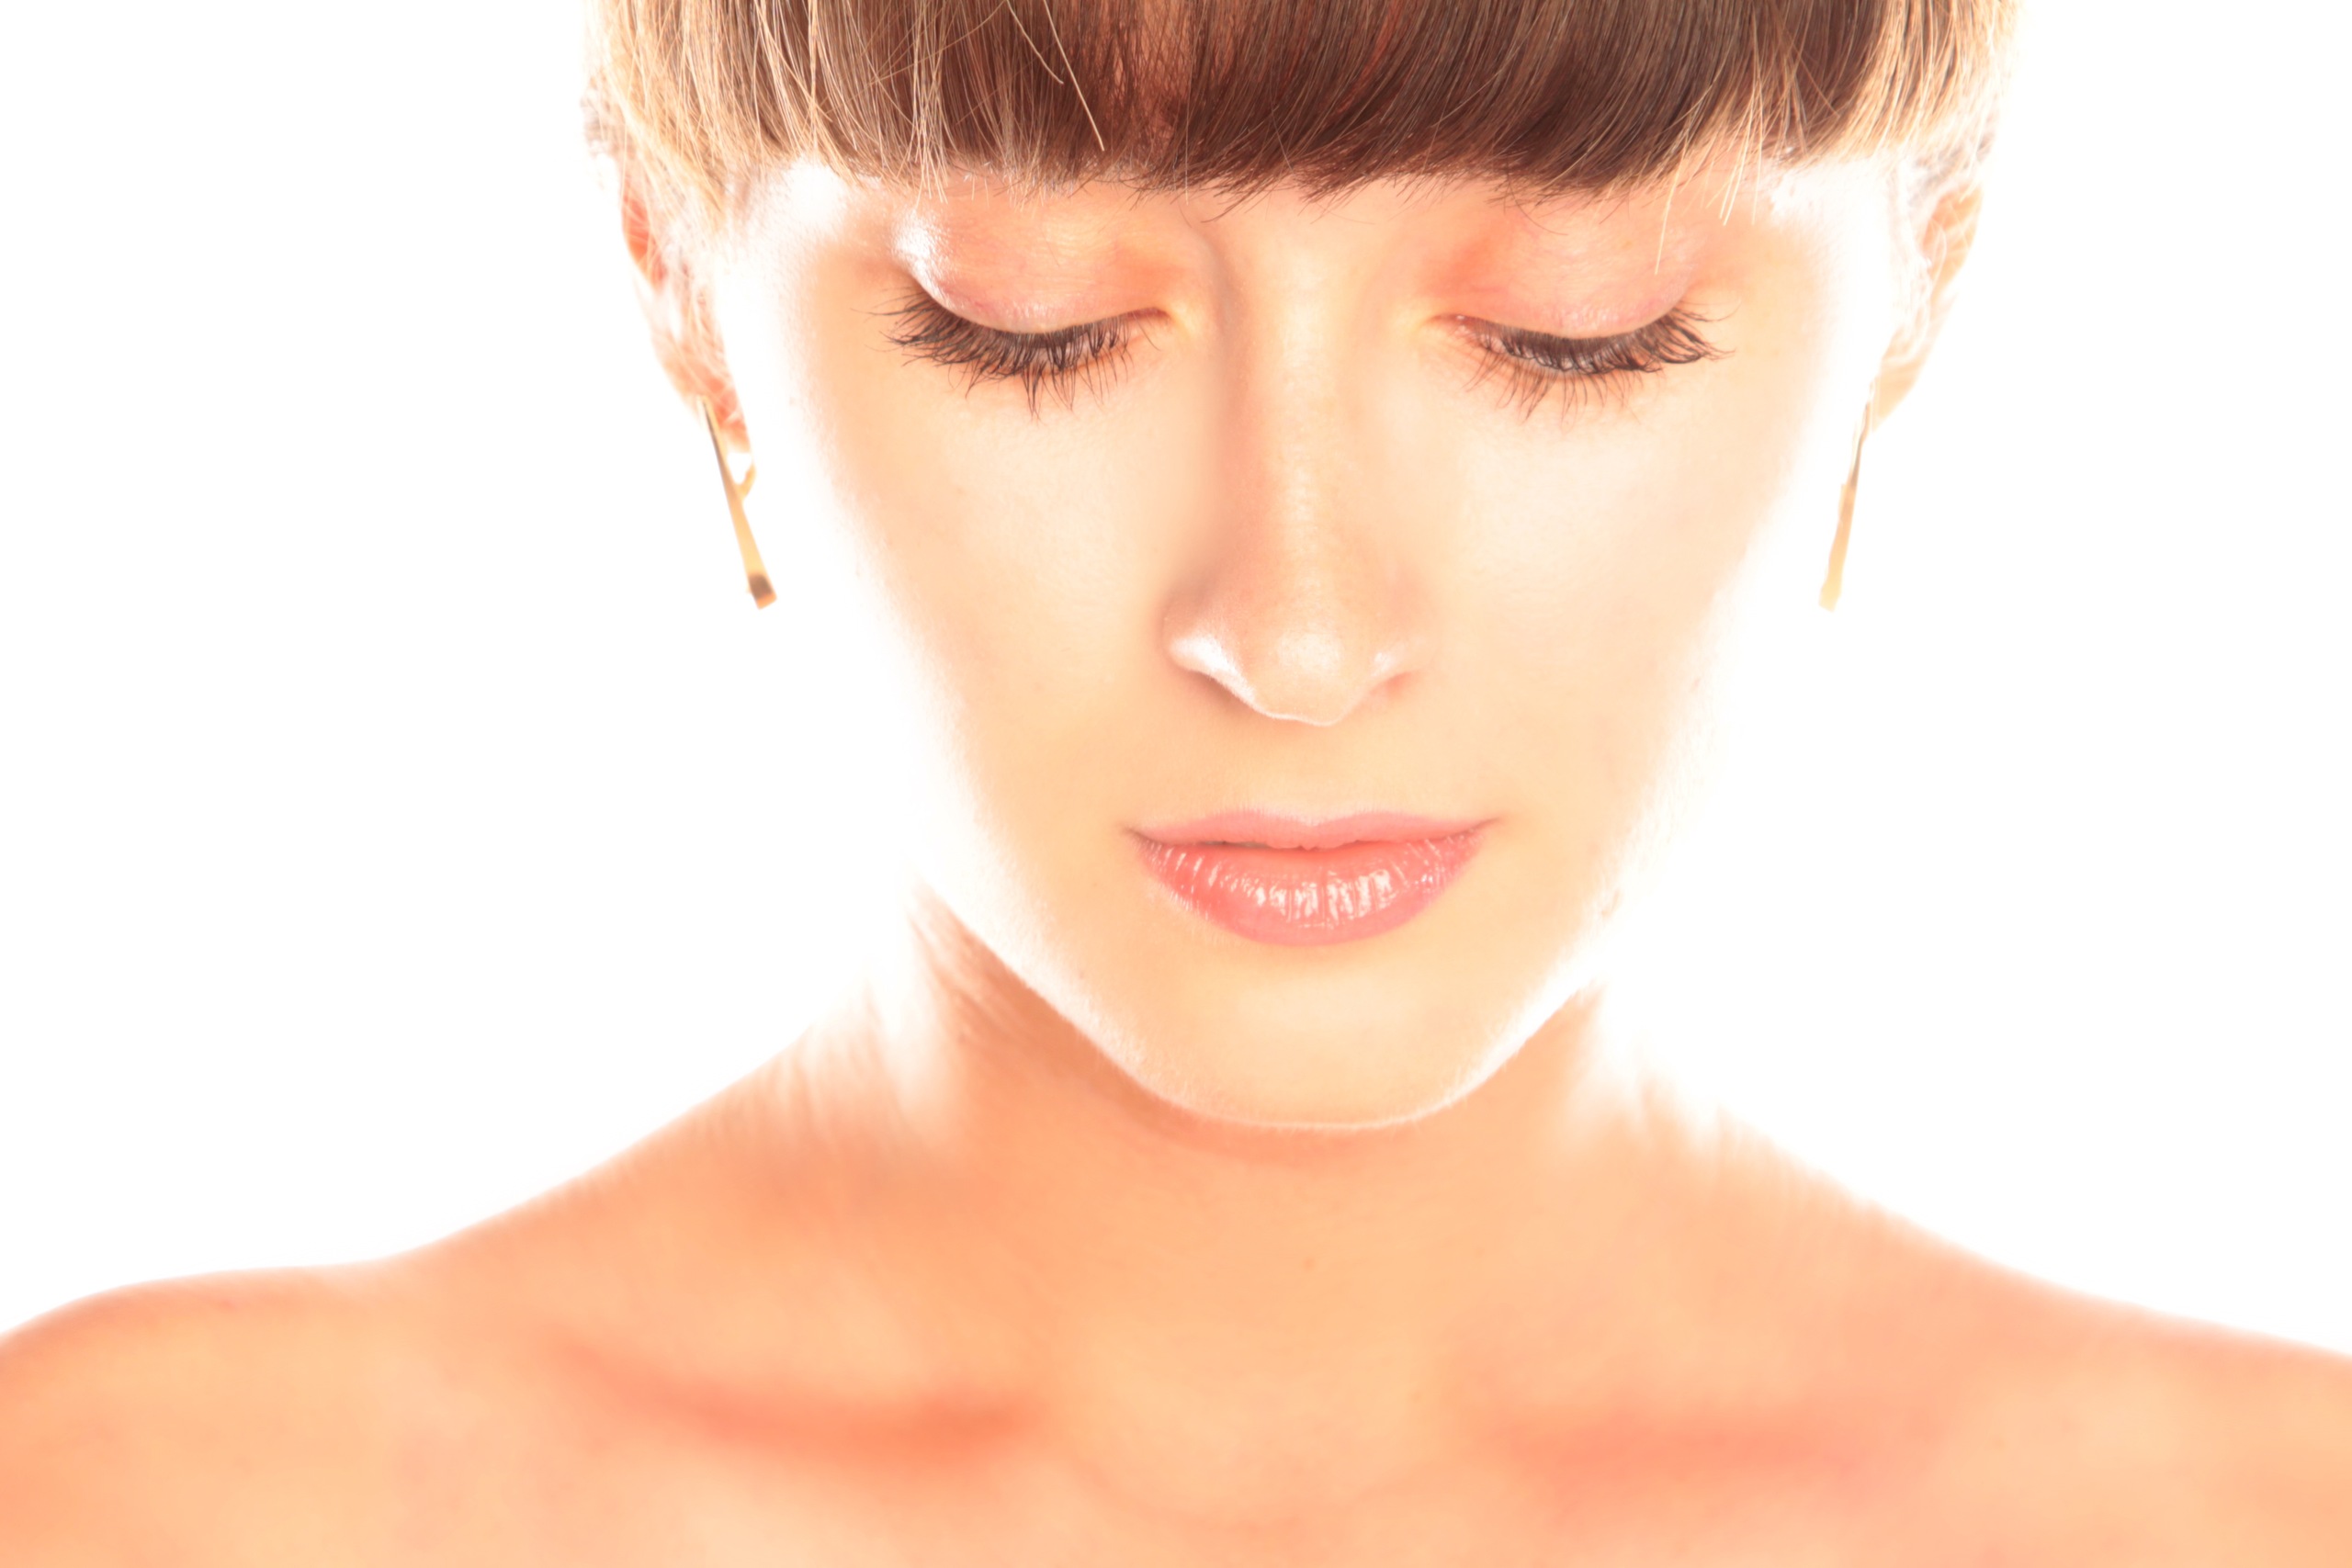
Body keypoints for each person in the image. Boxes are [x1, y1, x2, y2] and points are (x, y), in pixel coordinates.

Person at [5, 0, 2348, 1558]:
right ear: (678, 290)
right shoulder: (160, 1517)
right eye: (1027, 321)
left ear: (1917, 290)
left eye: (1576, 321)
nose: (1297, 632)